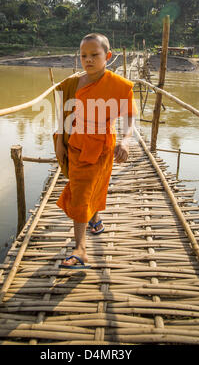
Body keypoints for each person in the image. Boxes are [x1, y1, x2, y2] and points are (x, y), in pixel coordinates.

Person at [54, 33, 137, 268]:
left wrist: (126, 141)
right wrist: (60, 141)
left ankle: (81, 249)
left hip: (102, 146)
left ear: (108, 56)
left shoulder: (119, 86)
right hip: (75, 143)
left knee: (89, 188)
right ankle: (94, 223)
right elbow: (62, 113)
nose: (88, 60)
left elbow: (130, 119)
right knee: (83, 189)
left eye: (94, 55)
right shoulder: (72, 83)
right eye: (83, 55)